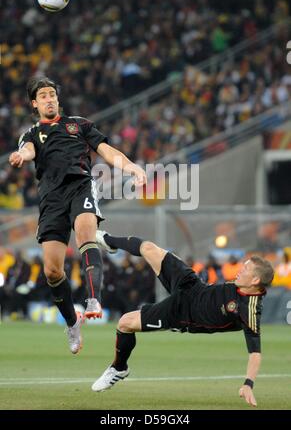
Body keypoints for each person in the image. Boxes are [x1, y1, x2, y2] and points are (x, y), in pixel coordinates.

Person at [8, 76, 146, 354]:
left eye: (52, 94)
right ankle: (72, 323)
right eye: (43, 96)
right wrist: (21, 155)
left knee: (86, 233)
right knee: (52, 270)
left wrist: (131, 167)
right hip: (51, 199)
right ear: (35, 104)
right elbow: (29, 149)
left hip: (80, 186)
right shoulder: (32, 133)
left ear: (58, 99)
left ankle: (93, 300)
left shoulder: (80, 125)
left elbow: (106, 150)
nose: (49, 99)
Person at [92, 230, 274, 408]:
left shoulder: (249, 310)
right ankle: (107, 239)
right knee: (148, 248)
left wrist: (248, 384)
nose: (240, 270)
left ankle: (118, 368)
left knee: (125, 322)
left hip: (182, 313)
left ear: (255, 280)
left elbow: (255, 354)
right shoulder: (242, 284)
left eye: (246, 269)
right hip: (192, 285)